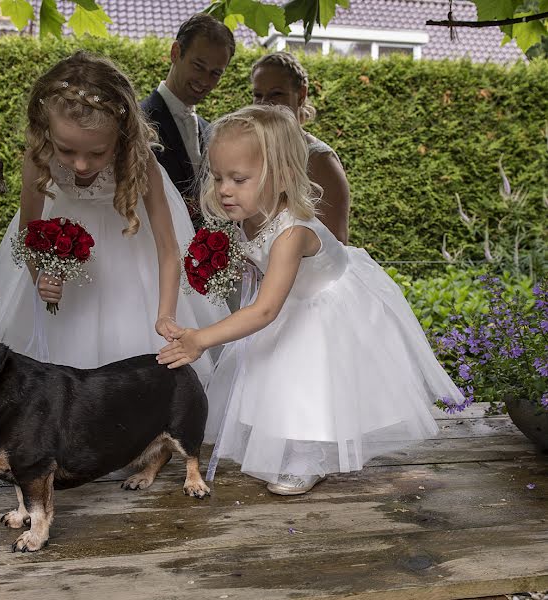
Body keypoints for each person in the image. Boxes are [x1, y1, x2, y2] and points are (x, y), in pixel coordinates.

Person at [157, 105, 464, 496]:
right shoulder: (249, 214)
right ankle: (284, 444)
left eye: (239, 178)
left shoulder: (292, 233)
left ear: (280, 176)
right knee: (273, 371)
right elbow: (257, 266)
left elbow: (265, 310)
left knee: (308, 376)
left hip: (326, 305)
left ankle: (309, 456)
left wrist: (201, 338)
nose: (224, 189)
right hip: (293, 299)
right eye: (218, 177)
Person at [0, 51, 228, 383]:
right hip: (67, 269)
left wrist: (165, 313)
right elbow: (28, 232)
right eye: (66, 150)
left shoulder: (140, 162)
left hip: (129, 260)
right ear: (47, 132)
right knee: (53, 360)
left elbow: (169, 249)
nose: (80, 165)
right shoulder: (39, 158)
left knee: (126, 357)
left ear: (121, 135)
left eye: (97, 153)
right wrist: (40, 276)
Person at [141, 13, 235, 228]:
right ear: (176, 53)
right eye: (198, 66)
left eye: (215, 73)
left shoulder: (210, 130)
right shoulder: (137, 121)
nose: (204, 80)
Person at [251, 51, 350, 244]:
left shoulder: (320, 160)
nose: (264, 104)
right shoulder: (251, 153)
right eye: (258, 95)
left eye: (276, 93)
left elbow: (336, 243)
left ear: (301, 94)